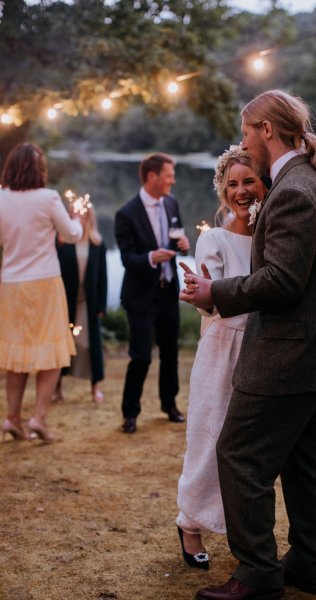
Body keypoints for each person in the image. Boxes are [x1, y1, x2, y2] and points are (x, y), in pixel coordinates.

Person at [180, 90, 316, 600]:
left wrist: (216, 292)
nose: (243, 144)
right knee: (305, 462)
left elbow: (282, 280)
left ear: (265, 129)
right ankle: (305, 565)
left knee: (239, 454)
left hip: (290, 352)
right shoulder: (313, 181)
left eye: (245, 133)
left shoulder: (294, 191)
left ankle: (257, 575)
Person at [176, 146, 266, 570]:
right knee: (208, 437)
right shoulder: (212, 238)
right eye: (232, 184)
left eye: (249, 181)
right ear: (221, 190)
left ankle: (238, 526)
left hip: (264, 348)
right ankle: (190, 522)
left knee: (247, 447)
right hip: (221, 346)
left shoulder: (274, 235)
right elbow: (208, 301)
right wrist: (199, 295)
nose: (241, 191)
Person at [0, 142, 83, 442]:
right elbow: (71, 235)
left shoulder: (1, 198)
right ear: (39, 169)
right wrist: (76, 218)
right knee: (50, 352)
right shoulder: (48, 198)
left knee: (17, 354)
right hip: (45, 282)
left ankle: (11, 418)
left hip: (10, 284)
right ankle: (38, 418)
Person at [115, 153, 190, 434]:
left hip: (168, 290)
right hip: (140, 296)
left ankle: (169, 404)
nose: (172, 180)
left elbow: (179, 243)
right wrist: (151, 258)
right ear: (152, 177)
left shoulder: (171, 203)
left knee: (170, 352)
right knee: (141, 355)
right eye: (168, 175)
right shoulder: (126, 213)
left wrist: (184, 244)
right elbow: (128, 260)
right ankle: (130, 412)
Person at [55, 204, 107, 404]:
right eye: (76, 213)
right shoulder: (63, 241)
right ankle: (57, 387)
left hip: (89, 302)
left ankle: (95, 387)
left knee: (88, 344)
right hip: (66, 301)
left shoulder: (97, 243)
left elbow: (102, 276)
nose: (80, 216)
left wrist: (101, 306)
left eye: (84, 214)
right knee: (62, 345)